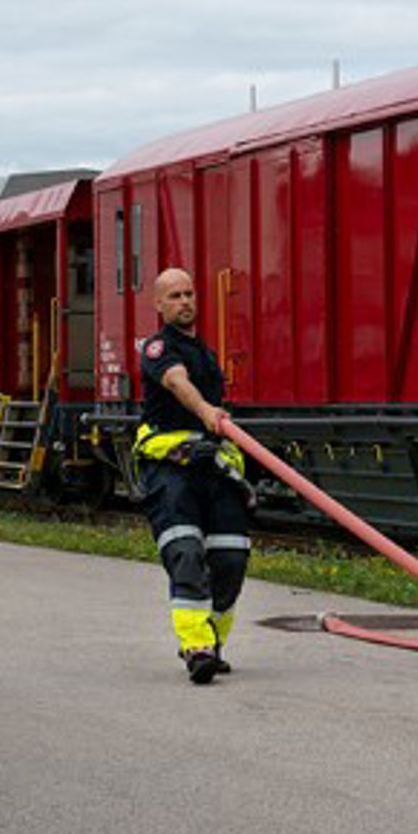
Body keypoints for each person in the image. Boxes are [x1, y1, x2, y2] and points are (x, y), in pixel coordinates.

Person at [133, 267, 251, 685]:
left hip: (213, 467)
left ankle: (213, 643)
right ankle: (196, 646)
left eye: (189, 294)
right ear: (159, 305)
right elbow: (177, 383)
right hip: (172, 469)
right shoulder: (157, 348)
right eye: (175, 296)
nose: (185, 301)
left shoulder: (204, 351)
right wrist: (208, 414)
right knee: (185, 551)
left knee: (231, 557)